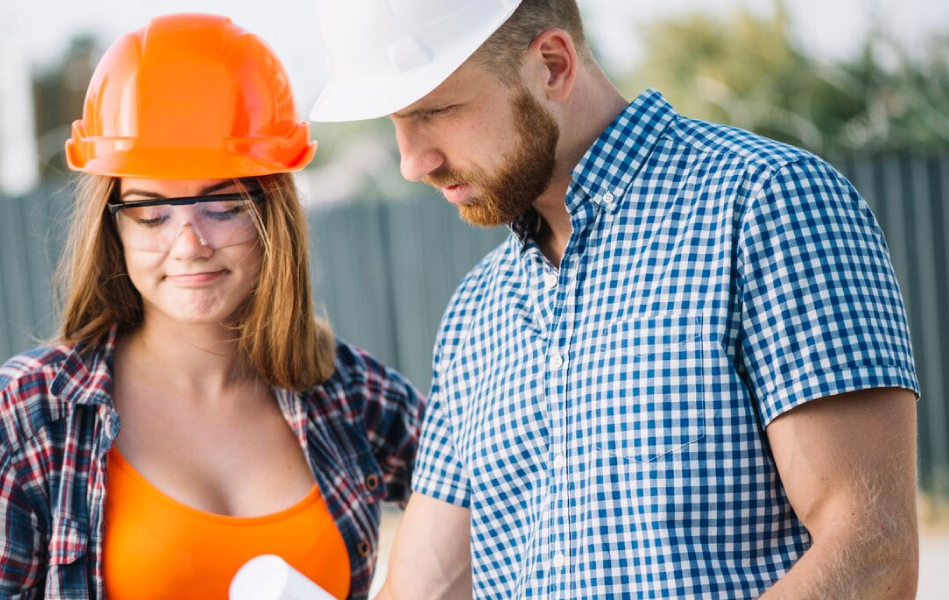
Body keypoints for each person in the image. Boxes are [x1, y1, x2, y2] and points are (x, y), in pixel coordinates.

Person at [309, 0, 920, 598]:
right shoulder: (476, 312)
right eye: (397, 123)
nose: (412, 163)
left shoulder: (765, 205)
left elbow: (870, 554)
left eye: (436, 111)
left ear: (552, 64)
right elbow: (425, 586)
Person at [0, 14, 423, 600]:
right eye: (151, 212)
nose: (189, 243)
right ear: (115, 228)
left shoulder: (350, 393)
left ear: (272, 217)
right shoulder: (32, 414)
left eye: (223, 204)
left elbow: (487, 501)